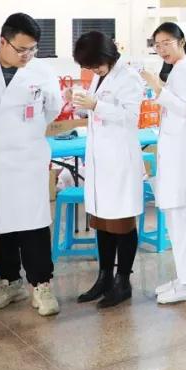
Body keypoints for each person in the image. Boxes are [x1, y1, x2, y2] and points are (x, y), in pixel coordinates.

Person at [0, 14, 63, 317]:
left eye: (32, 49)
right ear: (2, 41)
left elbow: (53, 109)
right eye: (21, 49)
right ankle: (9, 282)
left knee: (33, 225)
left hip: (26, 158)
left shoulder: (42, 71)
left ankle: (42, 285)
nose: (27, 55)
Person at [71, 31, 145, 309]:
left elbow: (130, 116)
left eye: (95, 65)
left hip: (119, 160)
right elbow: (97, 111)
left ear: (106, 55)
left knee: (122, 222)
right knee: (102, 221)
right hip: (100, 160)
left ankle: (123, 281)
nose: (94, 70)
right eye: (89, 67)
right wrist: (83, 106)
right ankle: (104, 277)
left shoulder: (129, 77)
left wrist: (96, 105)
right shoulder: (101, 76)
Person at [141, 22, 186, 305]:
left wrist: (158, 87)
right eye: (157, 45)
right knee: (175, 222)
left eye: (167, 43)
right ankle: (183, 277)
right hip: (173, 155)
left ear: (182, 41)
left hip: (182, 160)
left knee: (182, 221)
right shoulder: (178, 69)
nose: (162, 49)